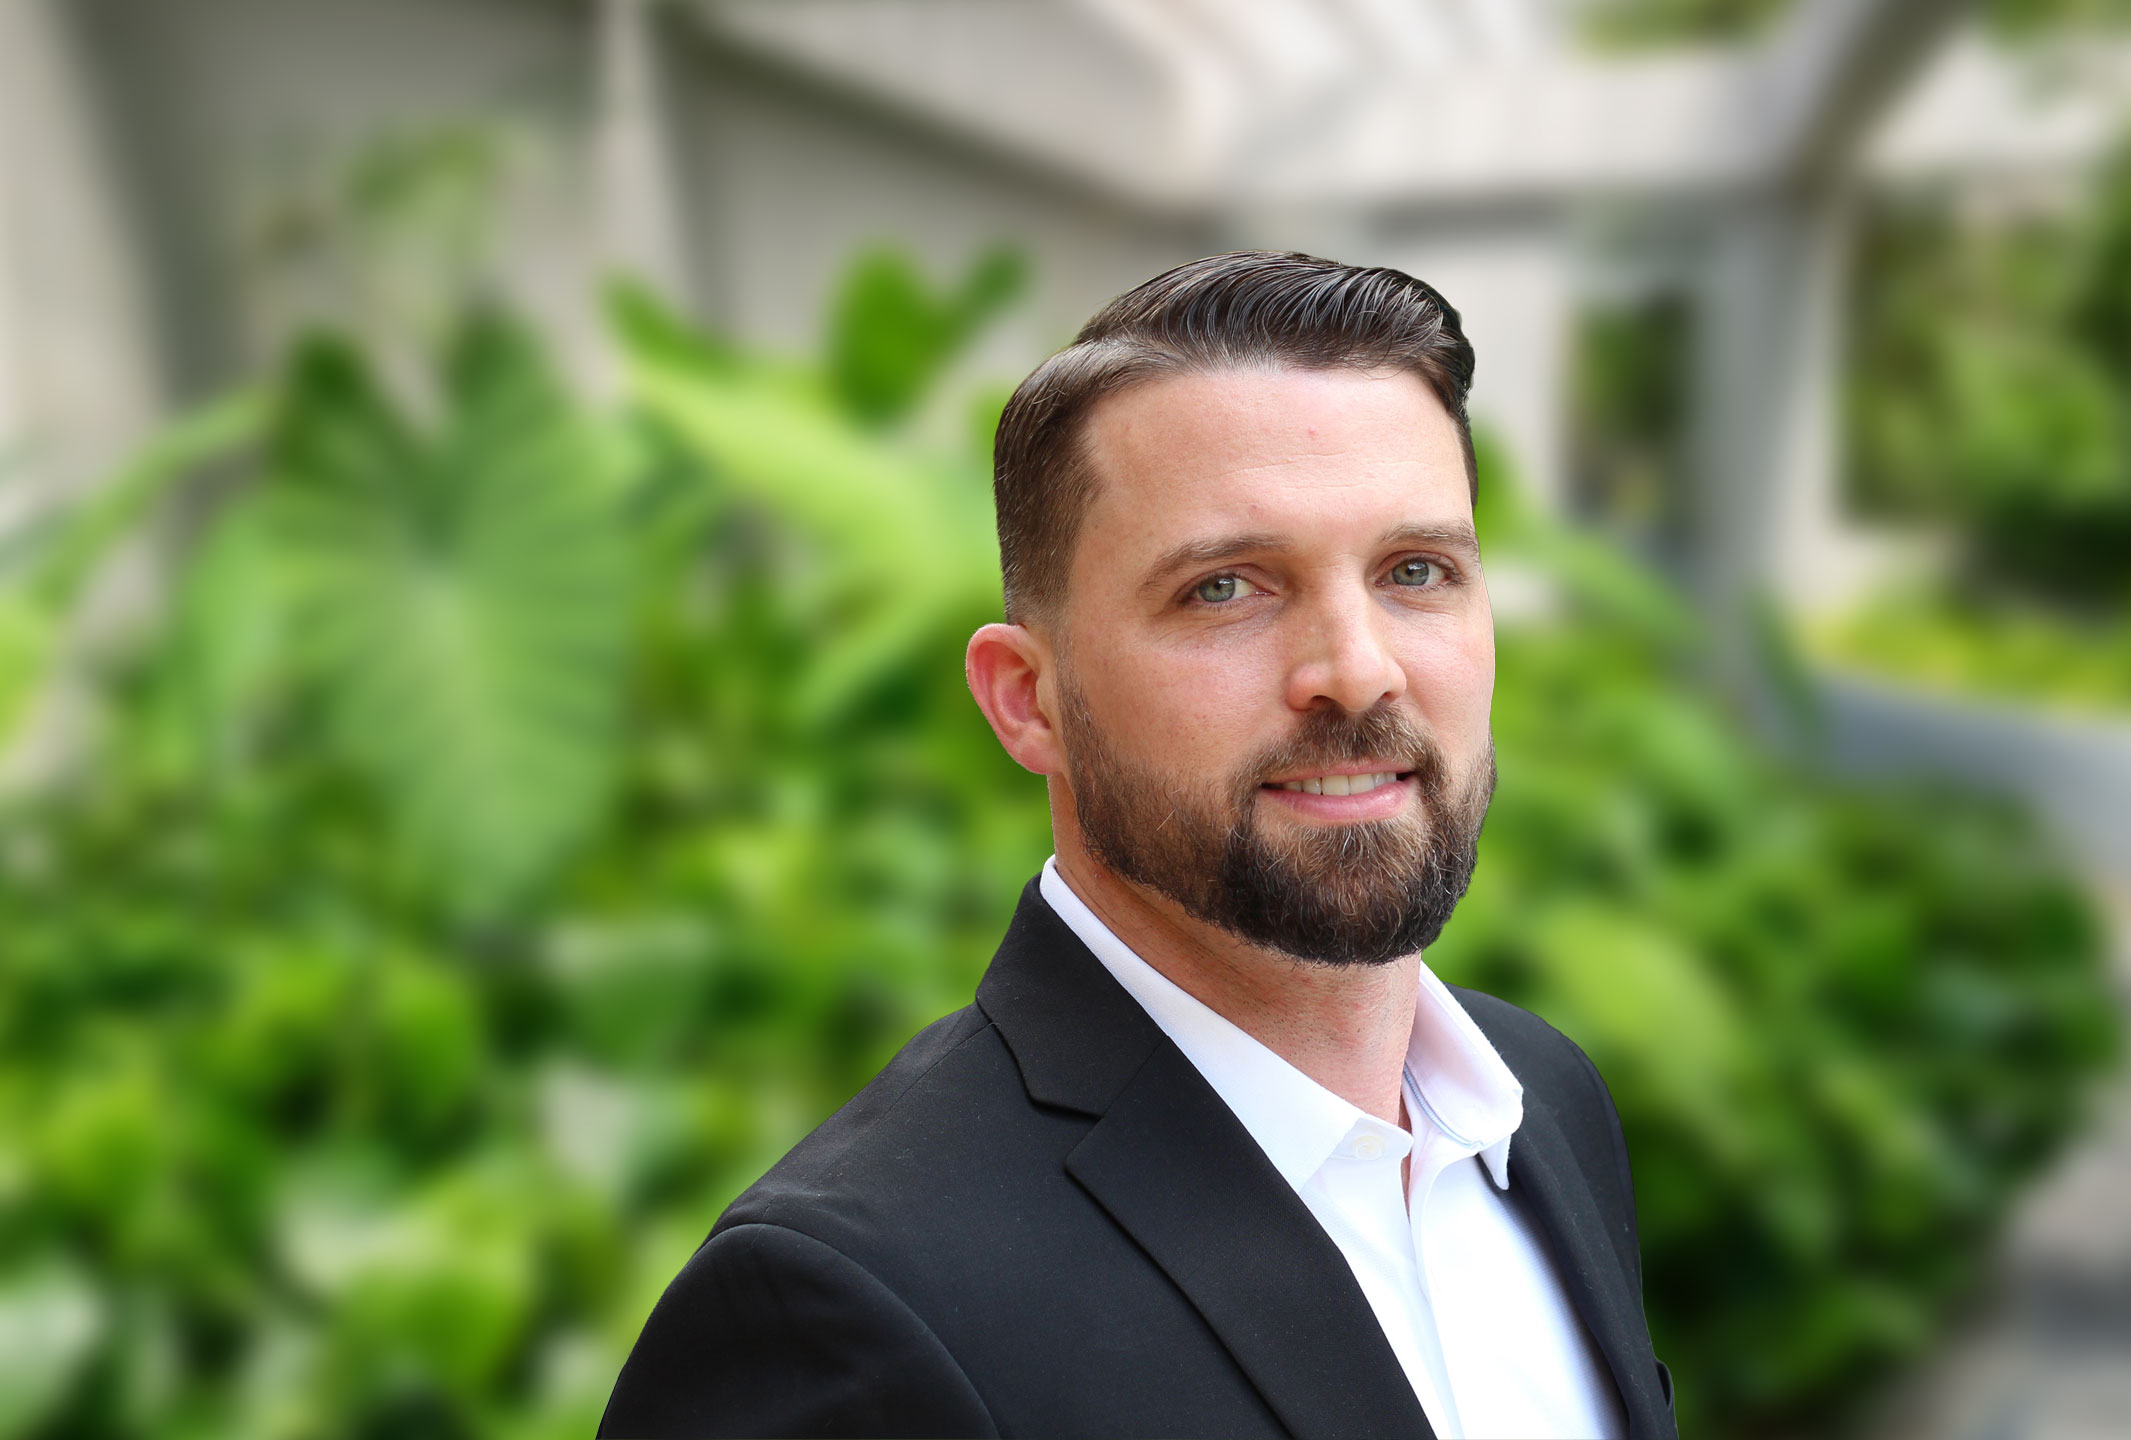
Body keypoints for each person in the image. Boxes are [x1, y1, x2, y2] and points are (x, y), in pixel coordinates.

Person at [599, 252, 1673, 1440]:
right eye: (1225, 589)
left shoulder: (1544, 1109)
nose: (1357, 668)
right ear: (1028, 701)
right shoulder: (838, 1314)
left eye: (1415, 572)